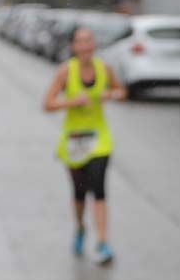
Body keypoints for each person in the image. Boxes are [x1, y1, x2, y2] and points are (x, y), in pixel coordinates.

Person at [43, 26, 126, 265]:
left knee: (99, 189)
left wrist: (110, 95)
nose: (86, 45)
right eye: (81, 41)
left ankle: (102, 242)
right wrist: (71, 101)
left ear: (94, 44)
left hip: (100, 139)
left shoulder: (104, 68)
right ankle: (80, 227)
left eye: (89, 40)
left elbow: (121, 91)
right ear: (73, 46)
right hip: (74, 140)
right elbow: (48, 103)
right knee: (79, 193)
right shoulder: (65, 71)